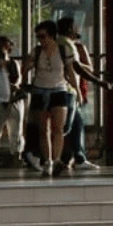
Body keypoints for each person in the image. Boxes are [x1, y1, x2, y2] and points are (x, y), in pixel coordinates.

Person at [24, 20, 77, 178]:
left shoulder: (63, 49)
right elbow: (25, 67)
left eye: (43, 36)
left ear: (52, 36)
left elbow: (70, 70)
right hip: (40, 90)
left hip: (59, 89)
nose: (41, 40)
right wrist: (27, 65)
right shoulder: (37, 51)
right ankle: (48, 160)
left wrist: (77, 91)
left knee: (58, 128)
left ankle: (57, 158)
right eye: (38, 37)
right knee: (43, 129)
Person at [56, 16, 100, 171]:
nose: (78, 29)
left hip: (69, 90)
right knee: (65, 126)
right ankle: (46, 155)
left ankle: (79, 157)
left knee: (76, 124)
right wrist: (96, 80)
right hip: (68, 90)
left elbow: (78, 65)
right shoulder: (66, 44)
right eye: (75, 26)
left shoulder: (64, 43)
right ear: (69, 29)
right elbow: (74, 67)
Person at [0, 36, 25, 163]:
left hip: (13, 100)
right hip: (1, 101)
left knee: (16, 129)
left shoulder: (13, 64)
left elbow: (16, 81)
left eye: (5, 46)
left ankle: (16, 154)